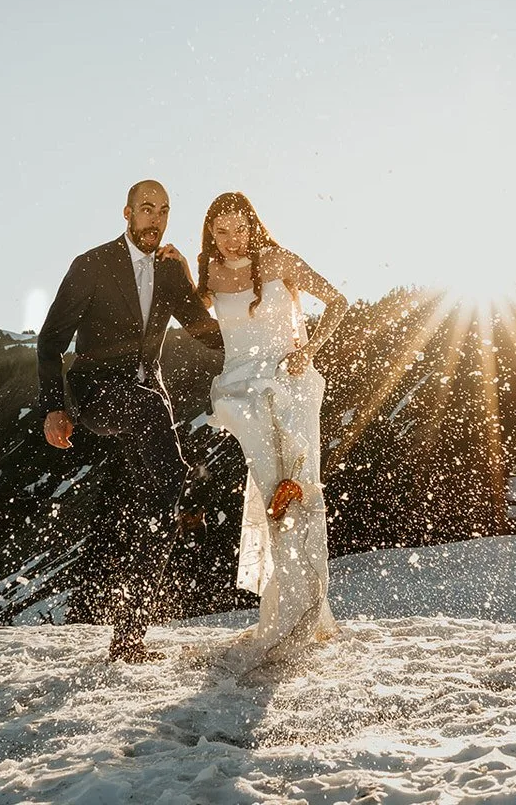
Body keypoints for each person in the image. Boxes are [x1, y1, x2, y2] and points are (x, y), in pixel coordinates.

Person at [37, 179, 223, 664]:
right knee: (154, 420)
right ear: (126, 213)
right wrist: (53, 407)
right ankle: (184, 485)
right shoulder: (92, 264)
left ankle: (129, 633)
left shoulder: (168, 271)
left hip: (147, 392)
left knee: (154, 509)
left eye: (163, 210)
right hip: (98, 393)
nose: (155, 219)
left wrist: (260, 353)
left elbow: (204, 331)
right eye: (146, 208)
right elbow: (51, 338)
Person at [191, 191, 349, 670]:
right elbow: (180, 309)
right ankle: (282, 610)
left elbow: (338, 302)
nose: (233, 239)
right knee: (269, 492)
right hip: (242, 389)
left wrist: (310, 349)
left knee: (301, 486)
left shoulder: (279, 260)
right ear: (210, 235)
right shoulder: (209, 274)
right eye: (222, 231)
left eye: (241, 228)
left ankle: (309, 611)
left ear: (253, 226)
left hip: (292, 382)